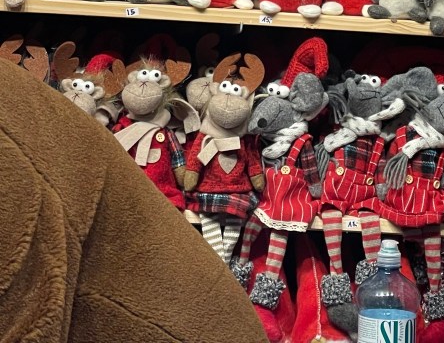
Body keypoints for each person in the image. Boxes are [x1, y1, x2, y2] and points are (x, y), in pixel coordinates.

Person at [0, 57, 267, 343]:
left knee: (227, 240)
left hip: (181, 209)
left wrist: (188, 177)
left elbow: (30, 304)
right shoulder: (113, 129)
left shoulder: (169, 135)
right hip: (150, 226)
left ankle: (236, 270)